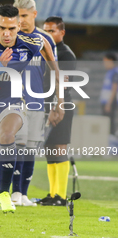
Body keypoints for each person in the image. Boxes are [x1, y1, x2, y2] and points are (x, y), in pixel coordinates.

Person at [0, 4, 63, 228]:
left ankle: (3, 193)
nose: (7, 33)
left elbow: (51, 57)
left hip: (12, 103)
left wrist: (59, 81)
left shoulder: (33, 43)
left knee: (9, 134)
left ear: (19, 26)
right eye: (2, 28)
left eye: (11, 28)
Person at [11, 0, 59, 207]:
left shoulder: (45, 40)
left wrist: (57, 101)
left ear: (34, 14)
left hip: (37, 100)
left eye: (24, 15)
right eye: (17, 16)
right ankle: (13, 193)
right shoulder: (10, 37)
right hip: (14, 101)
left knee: (31, 149)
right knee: (18, 146)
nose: (20, 20)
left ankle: (23, 194)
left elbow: (55, 72)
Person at [40, 16, 77, 206]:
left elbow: (64, 84)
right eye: (45, 30)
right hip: (47, 105)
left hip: (62, 106)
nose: (48, 34)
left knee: (59, 147)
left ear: (62, 32)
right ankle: (52, 193)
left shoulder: (65, 54)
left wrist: (57, 106)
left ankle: (61, 196)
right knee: (49, 149)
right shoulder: (46, 51)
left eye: (52, 30)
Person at [99, 53, 118, 135]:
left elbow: (114, 88)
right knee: (105, 121)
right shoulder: (109, 72)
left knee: (109, 121)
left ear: (110, 60)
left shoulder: (115, 72)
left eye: (105, 61)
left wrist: (109, 103)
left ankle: (110, 140)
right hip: (105, 101)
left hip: (109, 101)